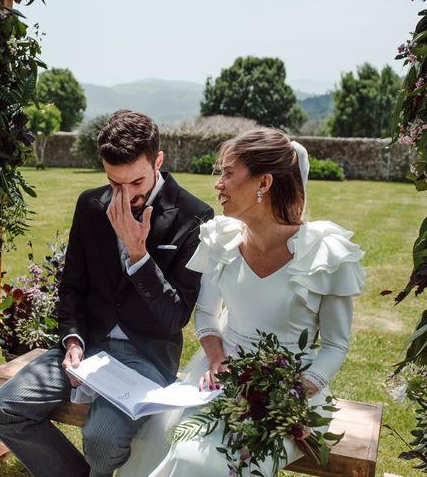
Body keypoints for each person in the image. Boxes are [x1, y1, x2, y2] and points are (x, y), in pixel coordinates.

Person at [117, 128, 365, 476]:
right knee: (188, 456)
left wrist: (290, 396)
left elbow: (336, 345)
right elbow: (206, 314)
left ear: (263, 183)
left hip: (292, 396)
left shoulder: (323, 253)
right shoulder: (221, 240)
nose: (218, 183)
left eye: (228, 173)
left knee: (226, 468)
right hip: (220, 380)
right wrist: (217, 360)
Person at [0, 109, 214, 477]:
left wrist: (139, 255)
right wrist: (72, 340)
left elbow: (175, 316)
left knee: (102, 440)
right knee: (0, 410)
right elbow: (72, 287)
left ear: (157, 161)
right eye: (114, 183)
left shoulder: (195, 216)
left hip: (147, 356)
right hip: (86, 348)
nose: (125, 196)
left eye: (136, 183)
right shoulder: (90, 205)